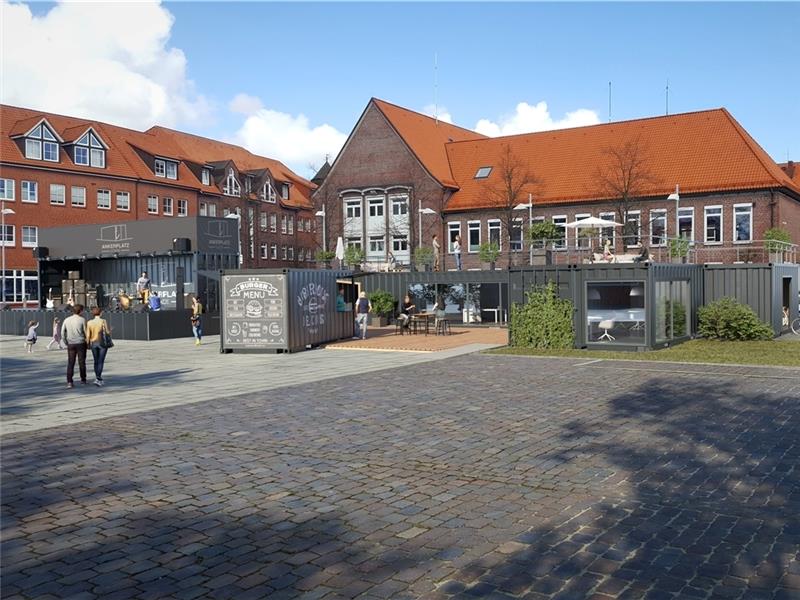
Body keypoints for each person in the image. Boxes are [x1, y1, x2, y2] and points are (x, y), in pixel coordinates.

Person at [62, 304, 88, 388]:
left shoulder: (67, 320)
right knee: (82, 362)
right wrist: (87, 342)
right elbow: (86, 332)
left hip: (71, 343)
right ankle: (83, 379)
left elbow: (63, 332)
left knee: (71, 362)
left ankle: (69, 381)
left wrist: (66, 341)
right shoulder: (82, 320)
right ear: (80, 311)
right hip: (80, 343)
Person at [86, 307, 111, 387]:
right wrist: (110, 331)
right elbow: (107, 332)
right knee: (101, 361)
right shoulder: (103, 321)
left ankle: (97, 377)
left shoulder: (89, 322)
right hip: (102, 343)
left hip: (93, 342)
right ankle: (98, 378)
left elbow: (88, 335)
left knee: (95, 361)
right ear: (100, 313)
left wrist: (87, 343)